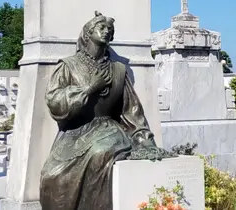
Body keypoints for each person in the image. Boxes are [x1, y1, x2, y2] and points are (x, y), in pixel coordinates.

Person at [39, 11, 171, 209]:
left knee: (101, 153)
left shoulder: (118, 70)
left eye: (110, 29)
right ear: (87, 34)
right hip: (74, 132)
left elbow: (131, 110)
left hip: (107, 128)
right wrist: (89, 88)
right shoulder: (68, 66)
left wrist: (144, 140)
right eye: (101, 27)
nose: (107, 31)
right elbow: (54, 102)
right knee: (52, 175)